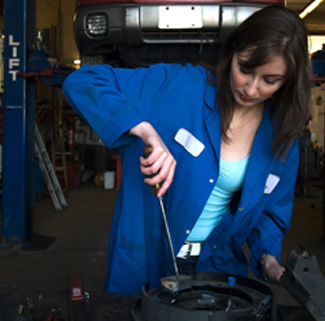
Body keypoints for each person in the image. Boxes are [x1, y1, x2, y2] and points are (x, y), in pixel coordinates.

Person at [62, 5, 312, 294]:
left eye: (270, 80)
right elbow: (83, 81)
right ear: (232, 51)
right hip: (148, 258)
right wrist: (143, 128)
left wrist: (269, 259)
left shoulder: (281, 136)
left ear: (287, 81)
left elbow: (268, 214)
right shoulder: (179, 86)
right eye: (245, 68)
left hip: (219, 268)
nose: (251, 88)